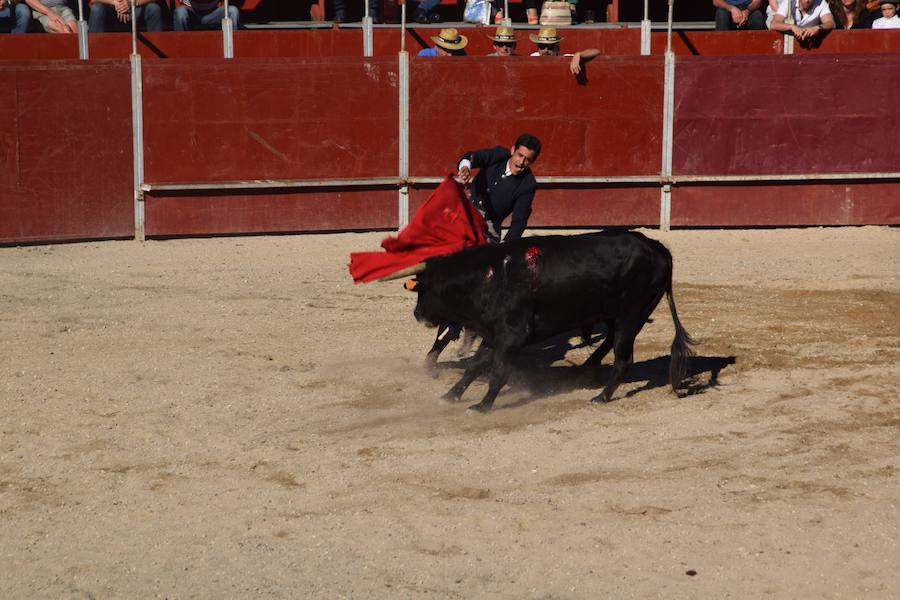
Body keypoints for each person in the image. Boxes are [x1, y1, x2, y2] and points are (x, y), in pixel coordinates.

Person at [426, 134, 543, 370]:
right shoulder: (498, 155)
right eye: (519, 155)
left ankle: (462, 328)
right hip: (465, 208)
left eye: (527, 160)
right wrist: (466, 169)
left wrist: (504, 251)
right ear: (512, 150)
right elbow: (471, 157)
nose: (521, 162)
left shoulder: (527, 184)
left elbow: (519, 221)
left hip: (488, 226)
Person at [769, 0, 835, 40]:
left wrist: (817, 28)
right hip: (787, 42)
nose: (807, 1)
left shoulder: (821, 3)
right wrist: (792, 27)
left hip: (811, 43)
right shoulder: (789, 2)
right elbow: (774, 24)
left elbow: (831, 23)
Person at [89, 0, 162, 32]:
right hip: (111, 8)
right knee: (96, 9)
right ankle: (95, 49)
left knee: (153, 8)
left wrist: (130, 3)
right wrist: (116, 3)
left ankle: (156, 45)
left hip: (137, 8)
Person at [173, 0, 240, 31]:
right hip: (192, 13)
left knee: (233, 11)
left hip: (213, 13)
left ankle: (234, 43)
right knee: (180, 12)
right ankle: (181, 43)